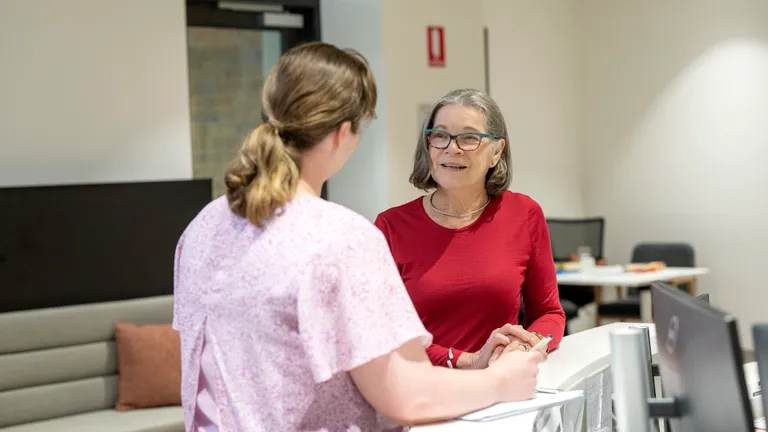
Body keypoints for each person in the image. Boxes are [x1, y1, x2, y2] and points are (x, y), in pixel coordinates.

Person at [172, 43, 546, 432]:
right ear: (344, 132)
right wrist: (502, 380)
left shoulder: (204, 226)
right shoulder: (342, 238)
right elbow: (407, 396)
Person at [374, 88, 566, 370]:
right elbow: (382, 334)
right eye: (440, 135)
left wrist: (525, 344)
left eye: (469, 138)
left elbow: (549, 312)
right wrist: (469, 360)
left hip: (501, 389)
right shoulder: (390, 227)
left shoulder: (524, 214)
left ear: (496, 152)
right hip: (423, 389)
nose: (452, 148)